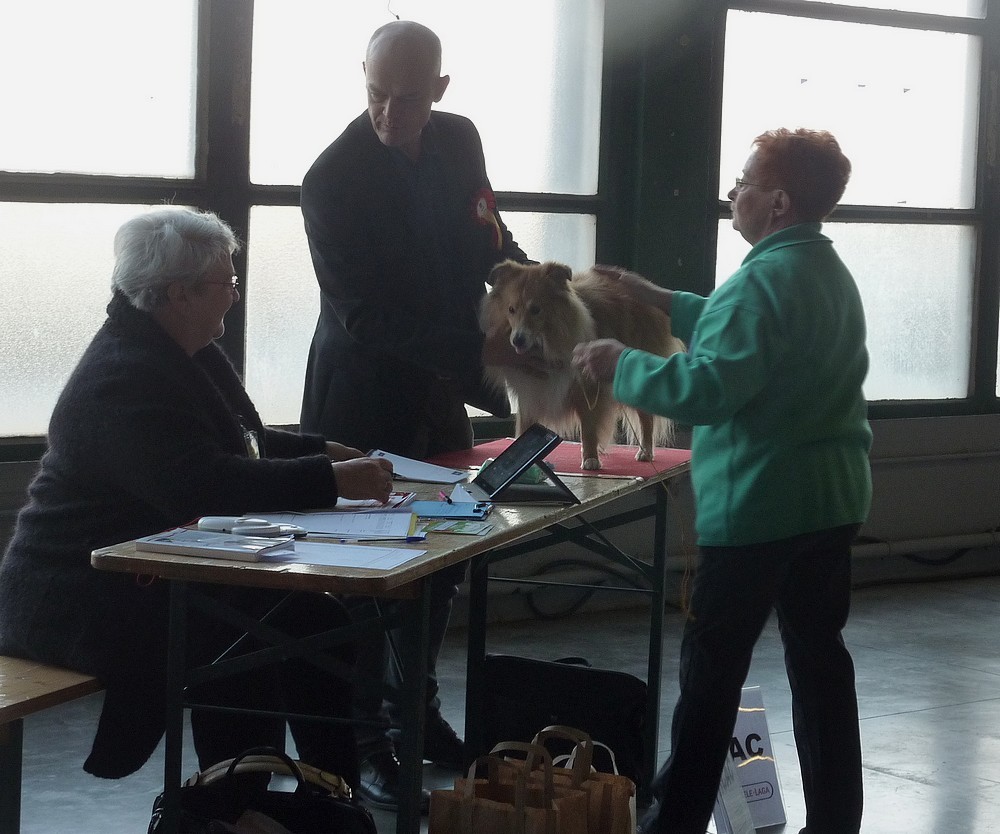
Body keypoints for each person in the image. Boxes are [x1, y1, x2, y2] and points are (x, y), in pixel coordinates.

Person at [0, 207, 394, 788]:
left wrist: (322, 451)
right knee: (241, 637)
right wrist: (330, 480)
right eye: (227, 283)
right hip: (79, 596)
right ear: (181, 293)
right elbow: (205, 486)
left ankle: (327, 796)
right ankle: (236, 807)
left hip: (145, 574)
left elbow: (236, 444)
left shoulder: (172, 345)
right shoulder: (122, 376)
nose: (234, 297)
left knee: (310, 617)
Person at [572, 128, 871, 834]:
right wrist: (663, 300)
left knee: (710, 680)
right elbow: (754, 337)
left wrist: (623, 365)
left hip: (759, 512)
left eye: (742, 181)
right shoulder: (824, 271)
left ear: (777, 201)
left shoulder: (760, 280)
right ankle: (836, 821)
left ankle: (672, 824)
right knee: (820, 664)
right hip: (830, 503)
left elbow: (712, 386)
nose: (731, 193)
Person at [298, 19, 536, 810]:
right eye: (376, 95)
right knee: (370, 579)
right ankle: (368, 742)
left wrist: (536, 294)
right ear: (360, 77)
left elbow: (487, 243)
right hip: (361, 396)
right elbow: (365, 317)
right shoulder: (330, 178)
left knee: (447, 556)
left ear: (440, 90)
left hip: (438, 389)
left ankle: (418, 711)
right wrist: (489, 362)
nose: (390, 115)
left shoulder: (460, 140)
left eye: (408, 99)